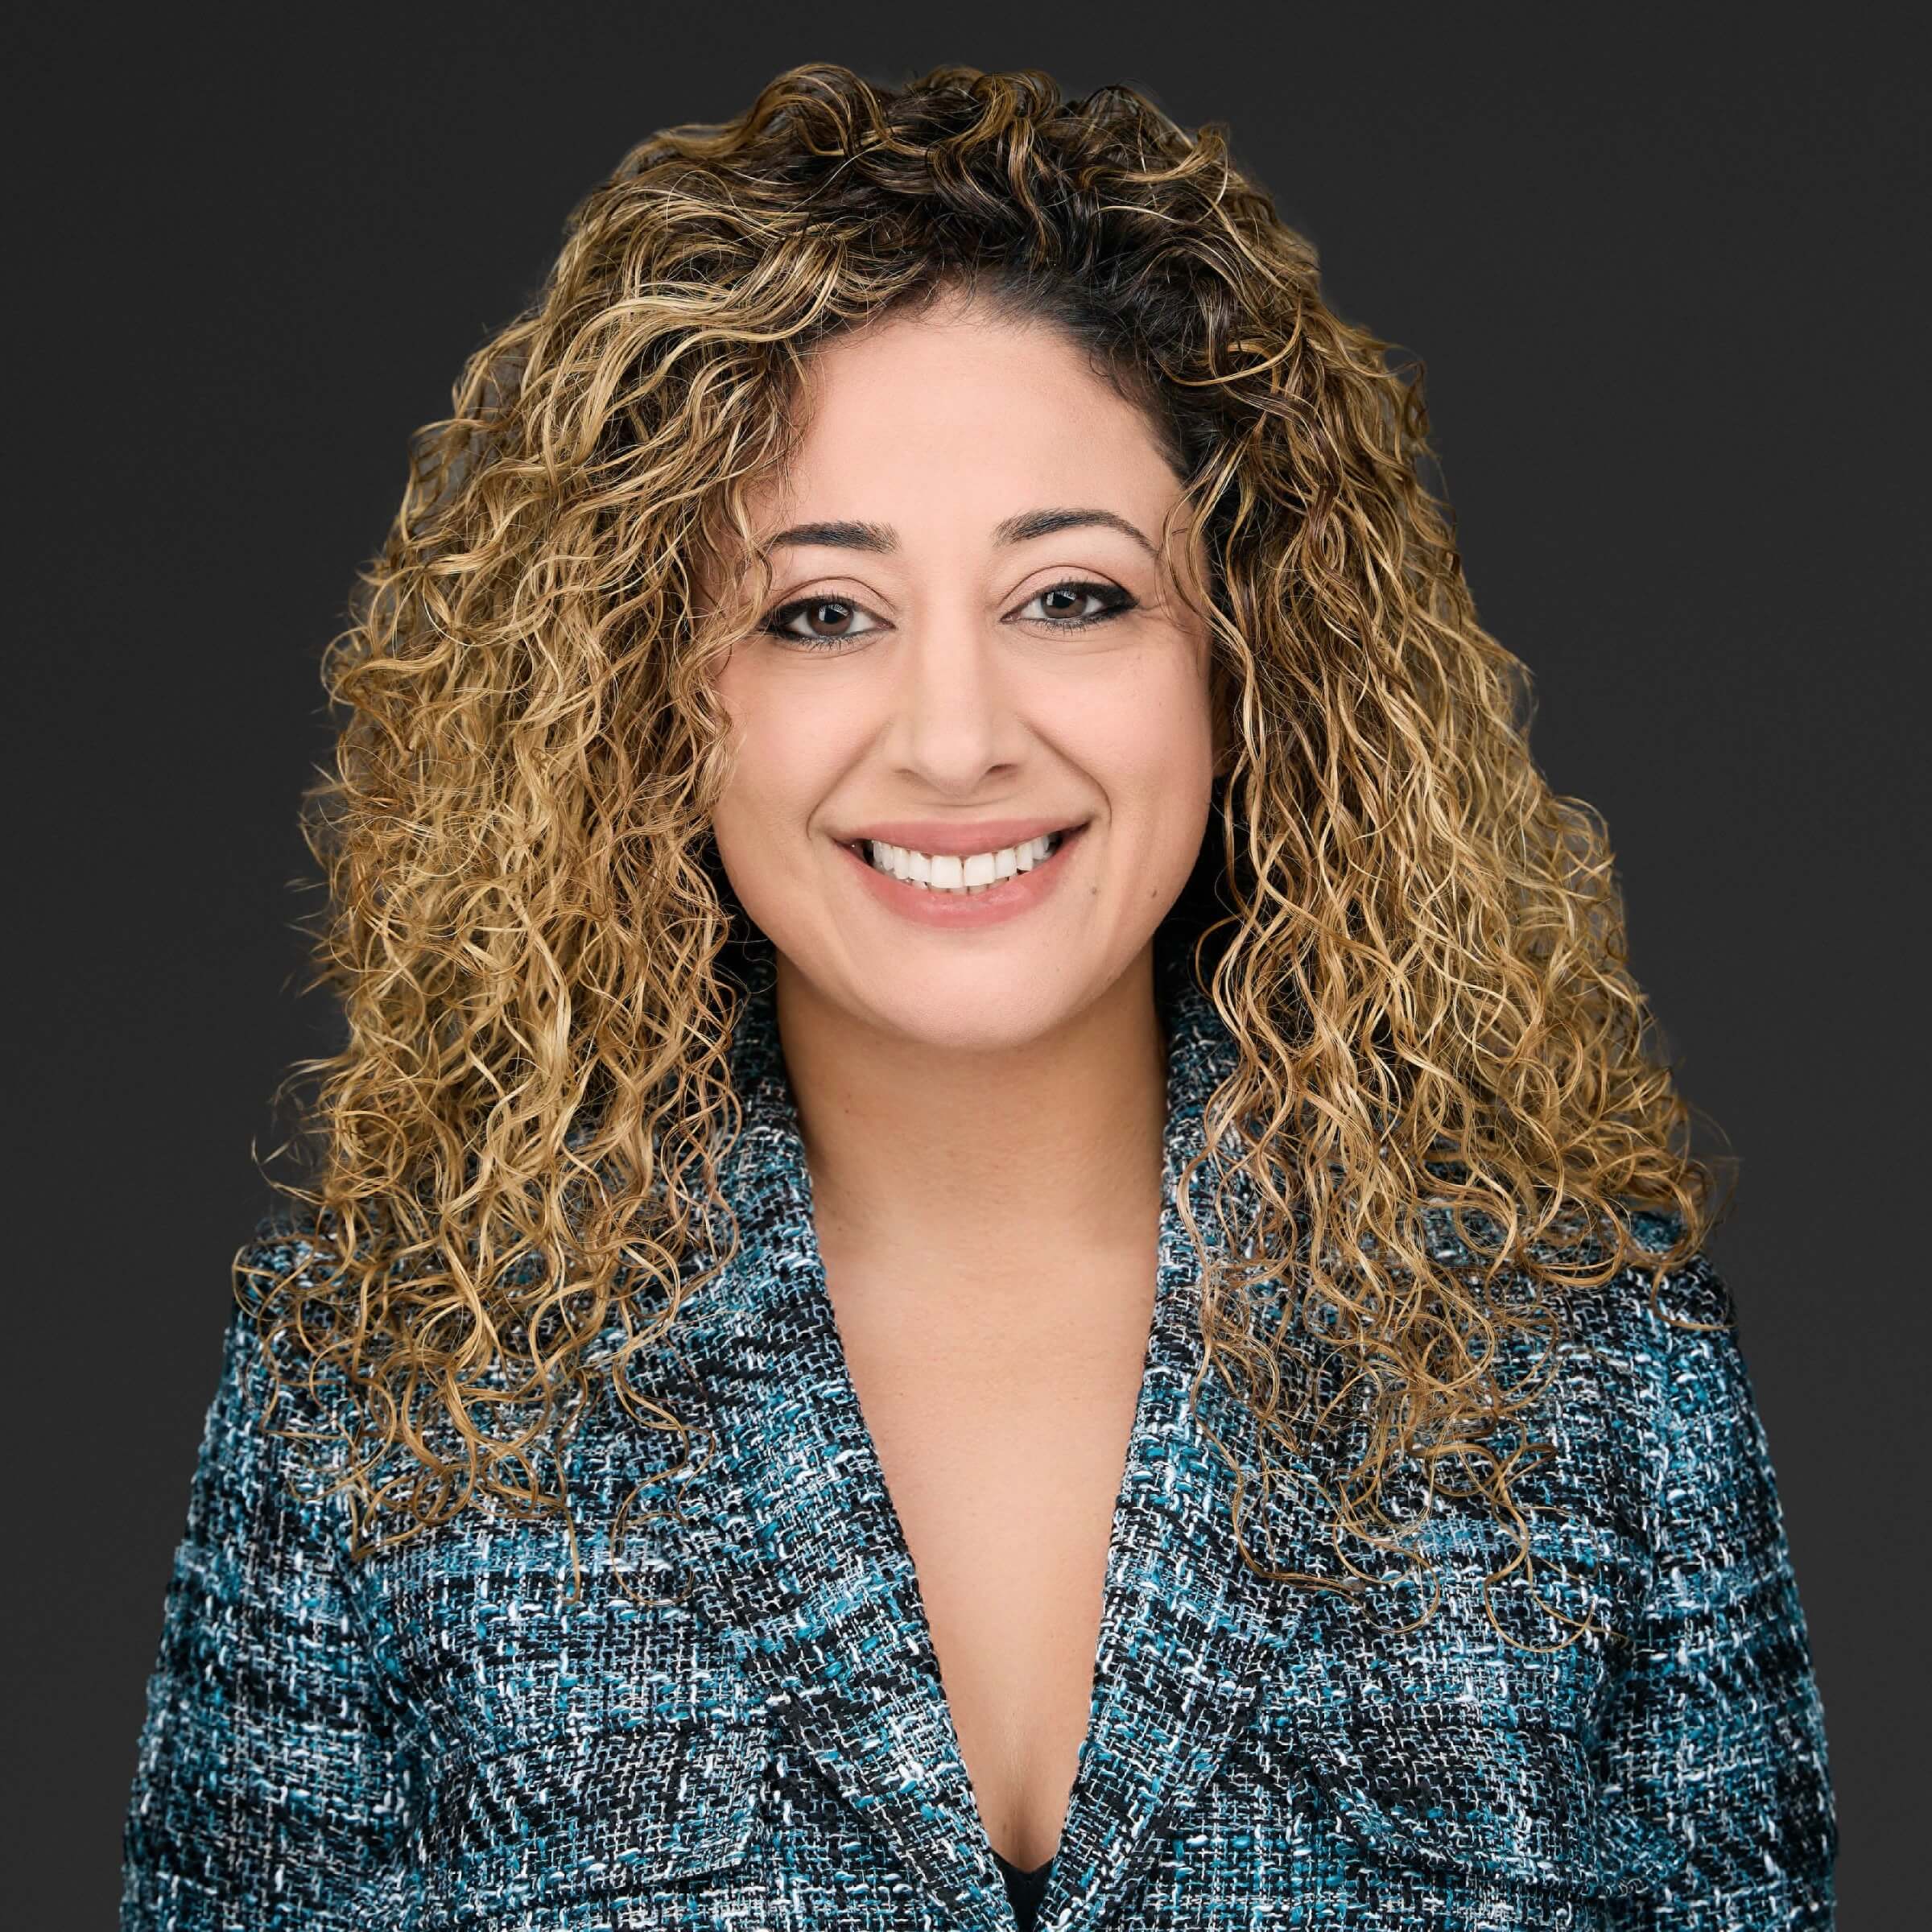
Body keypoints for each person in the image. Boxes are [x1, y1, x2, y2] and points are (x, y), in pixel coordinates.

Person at [121, 60, 1836, 1932]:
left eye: (1073, 598)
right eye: (818, 614)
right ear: (638, 701)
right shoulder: (380, 1395)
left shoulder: (1597, 1390)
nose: (953, 740)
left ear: (1249, 662)